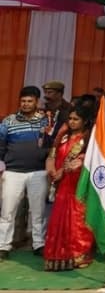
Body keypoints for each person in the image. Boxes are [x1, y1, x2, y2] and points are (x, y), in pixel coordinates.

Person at [0, 86, 51, 260]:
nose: (26, 104)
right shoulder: (9, 120)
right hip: (12, 172)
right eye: (23, 101)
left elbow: (51, 143)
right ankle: (3, 246)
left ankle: (39, 244)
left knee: (38, 211)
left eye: (30, 101)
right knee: (7, 211)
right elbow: (0, 143)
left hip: (38, 172)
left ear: (36, 102)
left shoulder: (45, 121)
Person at [43, 105, 95, 271]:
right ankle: (59, 255)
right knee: (60, 218)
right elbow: (52, 154)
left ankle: (79, 254)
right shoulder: (63, 136)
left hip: (78, 184)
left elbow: (92, 159)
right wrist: (52, 169)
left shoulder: (88, 139)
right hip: (61, 184)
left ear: (84, 121)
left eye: (76, 119)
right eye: (70, 119)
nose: (72, 122)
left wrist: (79, 161)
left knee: (77, 219)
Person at [39, 81, 71, 148]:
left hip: (61, 144)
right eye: (45, 92)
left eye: (50, 92)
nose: (46, 95)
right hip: (42, 144)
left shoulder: (68, 108)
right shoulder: (43, 108)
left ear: (59, 94)